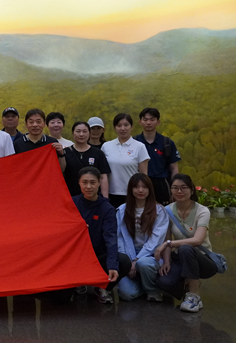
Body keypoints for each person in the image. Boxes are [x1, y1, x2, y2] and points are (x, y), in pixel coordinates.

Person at [155, 174, 218, 313]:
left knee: (185, 248)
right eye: (175, 188)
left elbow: (197, 240)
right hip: (180, 257)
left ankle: (194, 296)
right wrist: (167, 261)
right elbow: (166, 238)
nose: (179, 191)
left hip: (203, 260)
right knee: (164, 282)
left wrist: (169, 243)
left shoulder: (202, 211)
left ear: (191, 190)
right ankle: (188, 284)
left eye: (183, 188)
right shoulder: (168, 210)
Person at [72, 167, 131, 304]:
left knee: (123, 261)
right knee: (60, 299)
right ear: (79, 183)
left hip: (98, 255)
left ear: (99, 183)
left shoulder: (107, 209)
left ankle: (102, 287)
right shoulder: (71, 203)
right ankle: (77, 284)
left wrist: (112, 266)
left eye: (93, 182)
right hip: (75, 256)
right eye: (84, 182)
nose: (88, 186)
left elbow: (111, 238)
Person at [116, 174, 169, 302]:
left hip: (150, 256)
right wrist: (128, 261)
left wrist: (136, 260)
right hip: (128, 254)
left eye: (144, 187)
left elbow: (155, 240)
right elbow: (119, 238)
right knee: (127, 294)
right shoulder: (122, 210)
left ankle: (152, 290)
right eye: (136, 187)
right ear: (131, 189)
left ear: (150, 189)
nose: (140, 190)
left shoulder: (159, 211)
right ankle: (141, 286)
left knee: (143, 264)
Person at [101, 113, 150, 208]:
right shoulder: (106, 146)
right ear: (115, 128)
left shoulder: (139, 146)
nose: (122, 128)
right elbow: (103, 173)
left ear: (131, 127)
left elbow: (144, 174)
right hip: (110, 194)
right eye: (119, 125)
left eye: (126, 125)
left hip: (132, 194)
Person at [135, 107, 182, 205]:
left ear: (158, 122)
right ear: (140, 122)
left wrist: (175, 189)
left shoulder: (167, 143)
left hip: (162, 184)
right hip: (139, 184)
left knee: (163, 212)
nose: (148, 123)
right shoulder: (134, 142)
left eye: (152, 120)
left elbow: (174, 168)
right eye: (145, 120)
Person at [62, 121, 110, 197]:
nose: (81, 134)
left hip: (93, 197)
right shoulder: (65, 152)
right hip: (70, 196)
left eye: (85, 131)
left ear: (89, 133)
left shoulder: (98, 153)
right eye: (78, 131)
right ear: (73, 133)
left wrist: (105, 198)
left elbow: (103, 177)